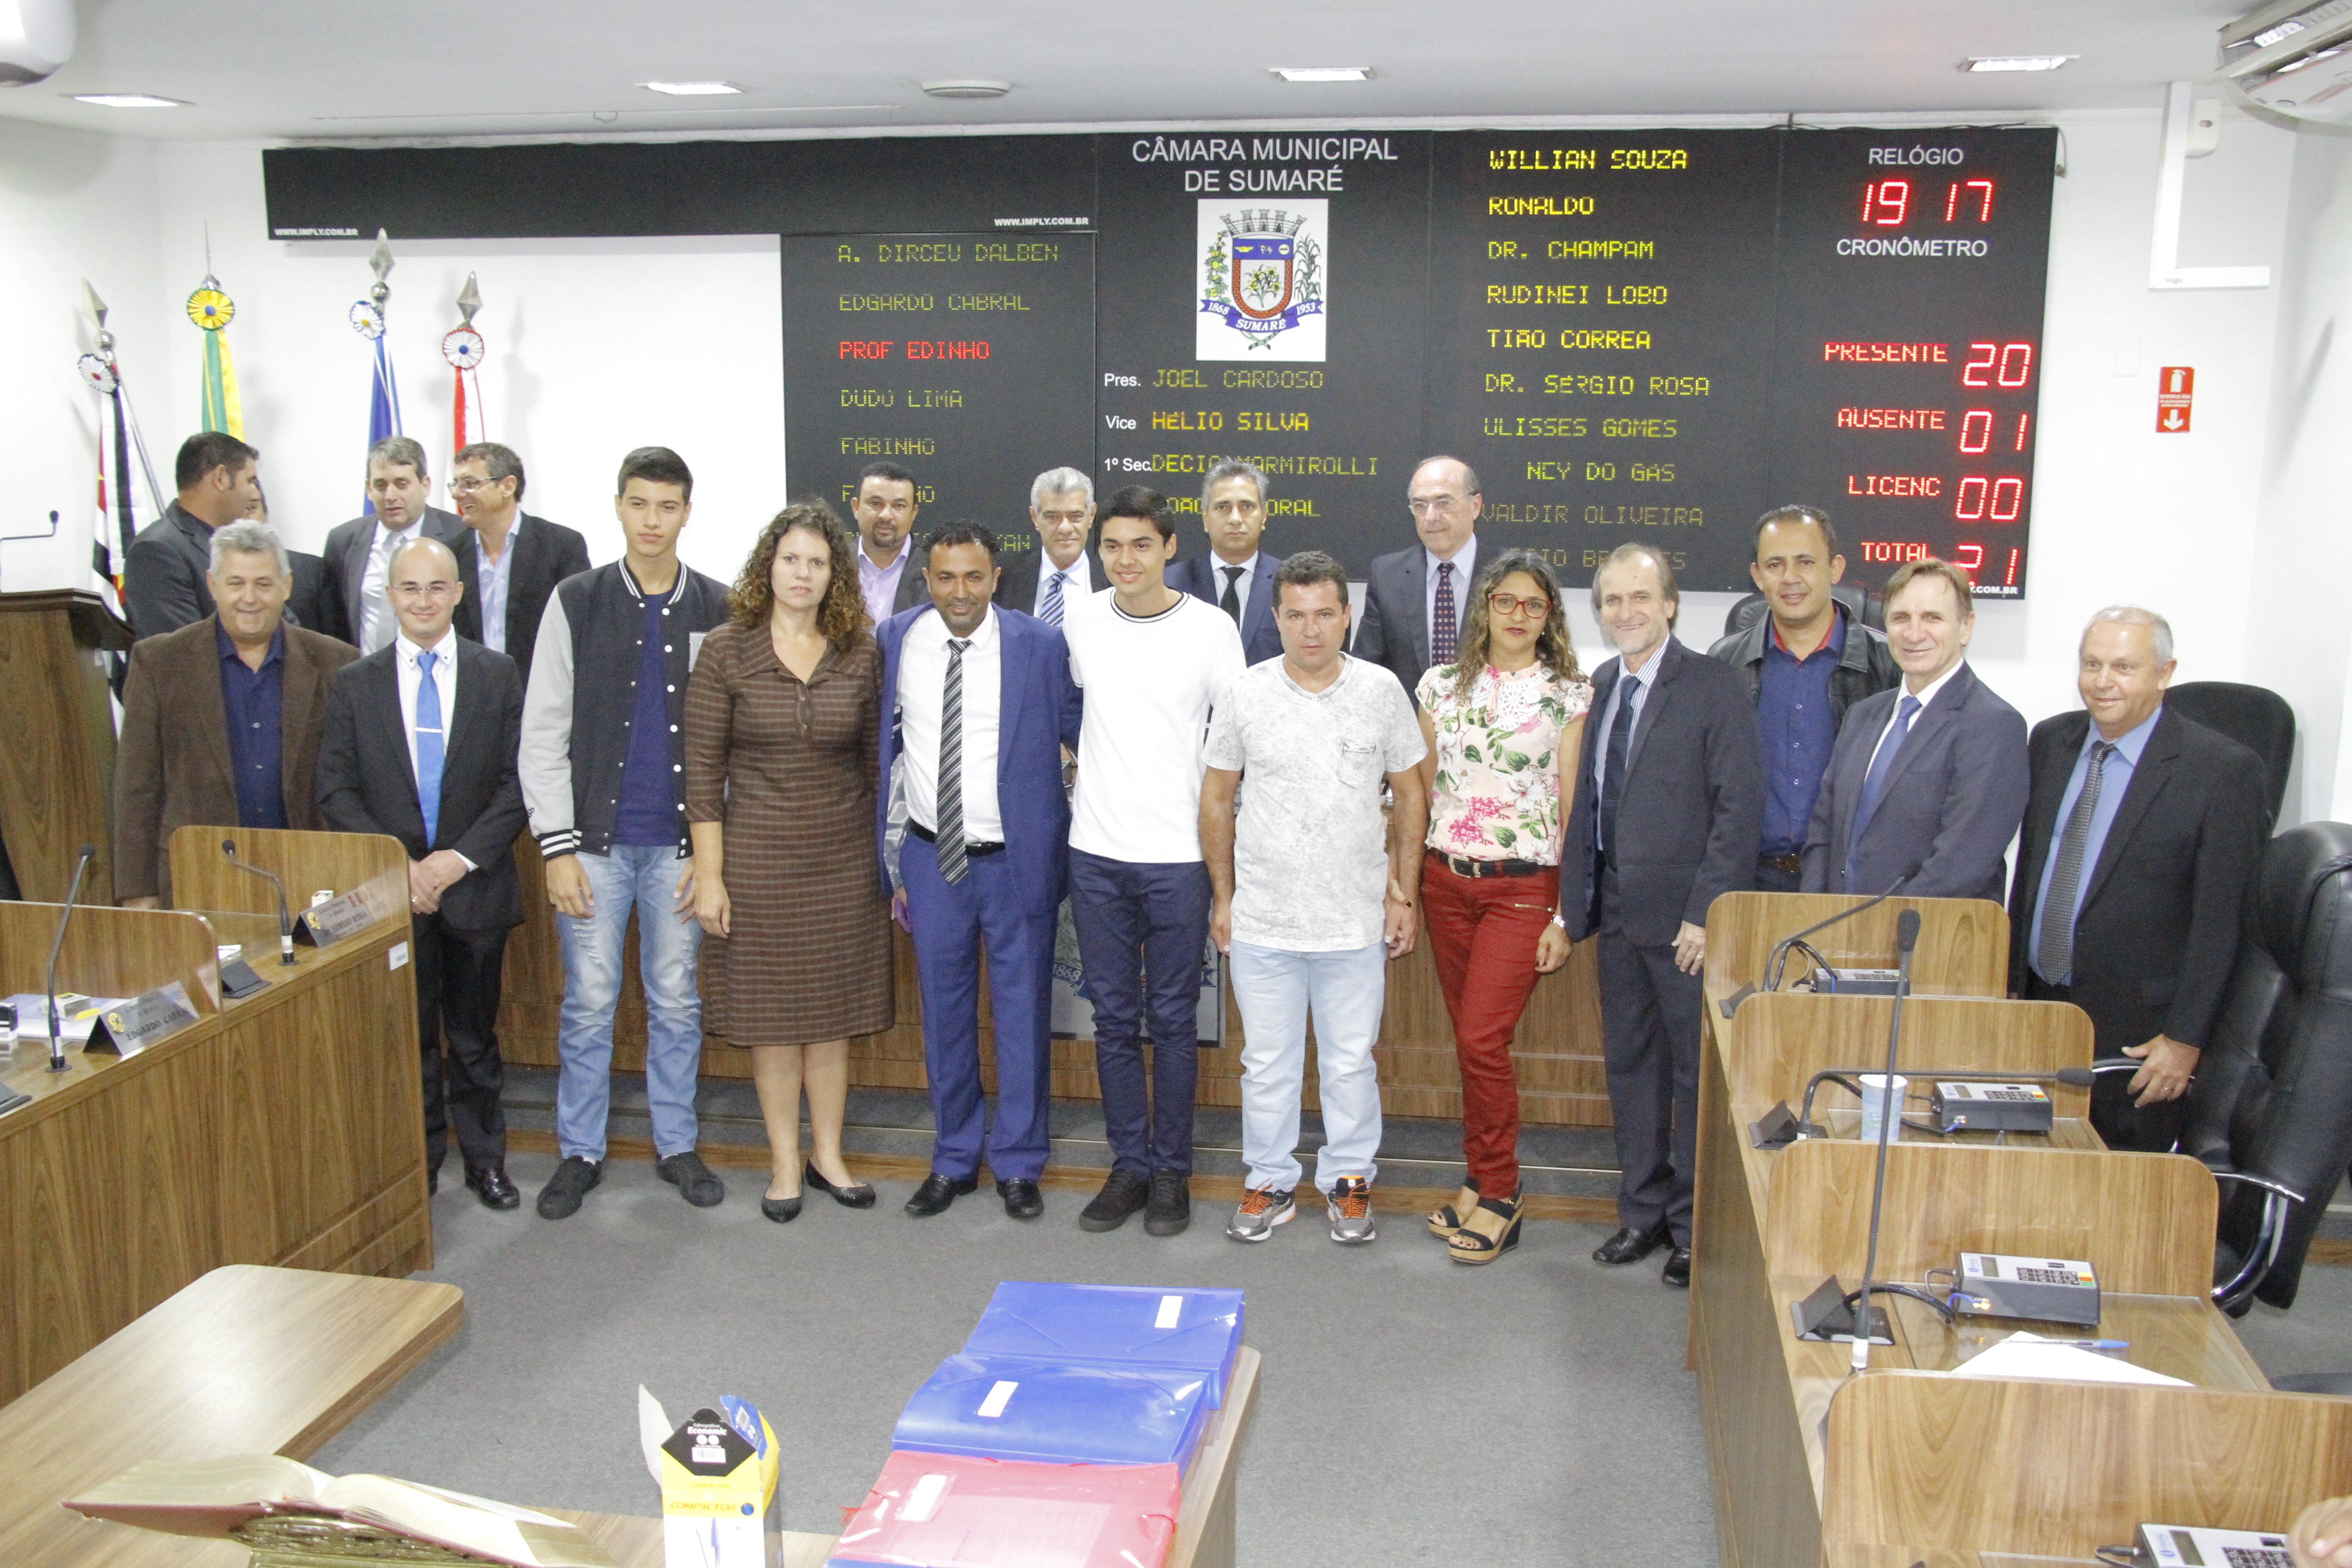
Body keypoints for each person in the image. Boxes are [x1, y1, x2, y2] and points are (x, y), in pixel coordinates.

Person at [520, 446, 733, 1220]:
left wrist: (712, 855)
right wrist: (556, 846)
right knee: (589, 1002)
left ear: (686, 511)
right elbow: (542, 728)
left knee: (676, 1002)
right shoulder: (575, 600)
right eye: (639, 504)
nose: (652, 520)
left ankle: (675, 1144)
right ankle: (579, 1151)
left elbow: (728, 739)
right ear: (617, 507)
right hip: (593, 851)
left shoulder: (717, 606)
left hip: (679, 849)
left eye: (667, 506)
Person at [1203, 551, 1426, 1245]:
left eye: (1325, 614)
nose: (1311, 630)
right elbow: (1216, 798)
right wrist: (1223, 898)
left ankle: (1349, 1181)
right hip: (1264, 917)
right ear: (1275, 619)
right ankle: (1269, 1179)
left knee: (1350, 1060)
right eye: (1296, 616)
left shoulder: (1383, 690)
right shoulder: (1245, 692)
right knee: (1265, 1063)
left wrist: (1404, 894)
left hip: (1353, 917)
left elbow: (1413, 795)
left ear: (1347, 616)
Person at [685, 500, 892, 1222]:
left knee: (831, 1016)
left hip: (842, 858)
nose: (802, 573)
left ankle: (828, 1154)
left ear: (835, 573)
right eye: (790, 560)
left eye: (817, 561)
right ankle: (782, 1162)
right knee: (772, 1019)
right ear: (767, 567)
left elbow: (876, 766)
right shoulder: (725, 650)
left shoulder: (861, 649)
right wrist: (709, 875)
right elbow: (702, 774)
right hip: (757, 857)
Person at [1563, 543, 1763, 1288]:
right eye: (1611, 601)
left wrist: (1706, 912)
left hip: (1684, 927)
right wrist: (1573, 906)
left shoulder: (1714, 685)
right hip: (1616, 915)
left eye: (1638, 598)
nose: (1625, 613)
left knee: (1690, 1077)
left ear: (1669, 604)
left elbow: (1737, 810)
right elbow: (1589, 799)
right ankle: (1640, 1213)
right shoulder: (1604, 681)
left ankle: (1688, 1225)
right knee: (1631, 1068)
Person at [878, 524, 1083, 1220]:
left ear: (996, 577)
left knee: (1024, 1014)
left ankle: (1020, 1164)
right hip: (934, 859)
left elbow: (1082, 733)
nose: (958, 592)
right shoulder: (897, 639)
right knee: (944, 1014)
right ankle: (955, 1158)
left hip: (1018, 859)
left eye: (973, 578)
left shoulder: (1041, 645)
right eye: (945, 578)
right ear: (927, 580)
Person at [315, 536, 527, 1210]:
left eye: (437, 587)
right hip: (390, 894)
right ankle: (419, 1164)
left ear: (459, 594)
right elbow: (335, 790)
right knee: (407, 1042)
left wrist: (453, 861)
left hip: (474, 887)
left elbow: (517, 784)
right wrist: (400, 868)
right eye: (410, 588)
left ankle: (486, 1162)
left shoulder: (497, 674)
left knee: (472, 1038)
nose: (424, 601)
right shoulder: (355, 682)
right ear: (391, 595)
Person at [2009, 607, 2268, 1152]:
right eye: (2092, 664)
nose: (2103, 683)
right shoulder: (2050, 742)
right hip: (2040, 1011)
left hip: (2139, 1038)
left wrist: (2186, 1040)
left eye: (2124, 668)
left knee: (2116, 1199)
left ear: (2164, 673)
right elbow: (2032, 873)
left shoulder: (2221, 770)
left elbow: (2223, 923)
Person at [1063, 485, 1246, 1237]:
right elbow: (1077, 713)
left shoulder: (1210, 629)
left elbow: (1234, 743)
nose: (1125, 559)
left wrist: (1223, 863)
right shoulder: (1079, 621)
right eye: (1112, 546)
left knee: (1172, 1020)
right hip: (1097, 854)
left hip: (1178, 857)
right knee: (1110, 1020)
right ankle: (1128, 1167)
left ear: (1170, 548)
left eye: (1141, 544)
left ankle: (1171, 1171)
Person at [1411, 551, 1589, 1263]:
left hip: (1524, 889)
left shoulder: (1570, 694)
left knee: (1484, 1038)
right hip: (1446, 884)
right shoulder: (1438, 686)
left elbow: (1576, 807)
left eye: (1533, 605)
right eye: (1506, 602)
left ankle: (1504, 1193)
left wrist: (1567, 913)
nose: (1518, 616)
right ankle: (1480, 1175)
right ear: (1484, 607)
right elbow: (1423, 792)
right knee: (1469, 1041)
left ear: (1550, 618)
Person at [114, 519, 358, 907]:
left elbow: (353, 783)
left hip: (310, 877)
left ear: (287, 586)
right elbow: (137, 787)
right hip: (198, 877)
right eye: (235, 583)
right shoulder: (160, 663)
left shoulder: (338, 664)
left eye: (263, 583)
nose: (249, 597)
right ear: (213, 586)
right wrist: (138, 890)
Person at [1802, 557, 2028, 901]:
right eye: (1901, 618)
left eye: (1932, 618)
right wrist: (1813, 911)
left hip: (1928, 942)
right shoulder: (1863, 716)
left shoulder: (1993, 725)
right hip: (1832, 934)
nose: (1914, 633)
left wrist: (1881, 928)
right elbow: (1824, 831)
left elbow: (1961, 865)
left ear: (1966, 627)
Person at [1706, 505, 1900, 891]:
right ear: (1757, 577)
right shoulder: (1723, 665)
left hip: (1849, 881)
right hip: (1747, 883)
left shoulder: (1890, 667)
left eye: (1806, 562)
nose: (1790, 578)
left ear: (1836, 569)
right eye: (1775, 565)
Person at [451, 442, 590, 685]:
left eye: (470, 483)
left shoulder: (561, 547)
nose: (457, 494)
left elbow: (581, 633)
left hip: (540, 696)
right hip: (473, 698)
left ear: (507, 486)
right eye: (456, 484)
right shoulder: (451, 554)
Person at [318, 436, 467, 652]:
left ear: (425, 485)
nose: (390, 496)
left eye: (401, 484)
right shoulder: (343, 541)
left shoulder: (460, 536)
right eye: (381, 485)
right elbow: (334, 622)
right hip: (365, 675)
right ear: (369, 490)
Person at [1355, 455, 1482, 701]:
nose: (1431, 516)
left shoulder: (1510, 575)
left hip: (1490, 733)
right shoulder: (1387, 576)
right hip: (1409, 731)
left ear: (1475, 506)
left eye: (1444, 502)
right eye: (1420, 505)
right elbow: (1366, 670)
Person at [124, 432, 264, 639]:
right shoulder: (157, 551)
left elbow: (283, 622)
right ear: (221, 478)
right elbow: (185, 650)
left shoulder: (237, 545)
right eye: (250, 481)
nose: (256, 494)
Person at [1167, 459, 1283, 664]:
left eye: (1247, 506)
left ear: (1264, 517)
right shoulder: (1170, 583)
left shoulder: (1287, 583)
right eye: (1223, 507)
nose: (1235, 519)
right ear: (1205, 519)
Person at [995, 467, 1095, 624]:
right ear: (1035, 517)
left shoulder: (1116, 581)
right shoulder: (1003, 577)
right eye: (1053, 517)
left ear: (1092, 515)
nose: (1065, 528)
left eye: (1075, 516)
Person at [851, 461, 929, 624]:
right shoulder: (832, 565)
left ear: (914, 513)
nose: (886, 515)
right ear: (856, 507)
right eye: (875, 504)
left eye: (899, 506)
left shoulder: (935, 570)